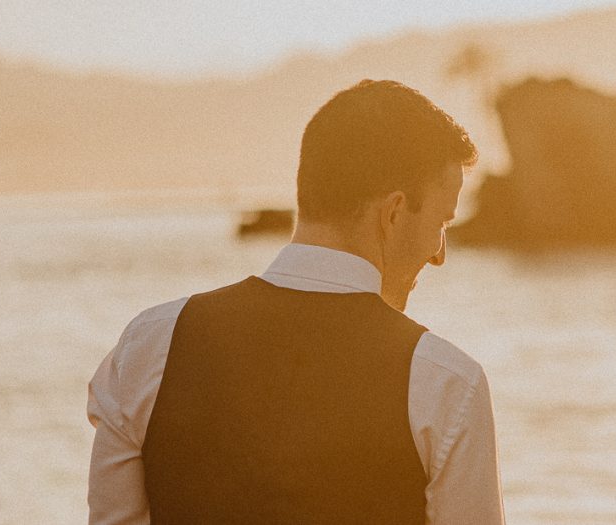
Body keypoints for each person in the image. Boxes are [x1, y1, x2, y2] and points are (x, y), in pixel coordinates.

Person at [87, 79, 503, 524]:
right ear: (394, 213)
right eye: (441, 222)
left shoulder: (148, 347)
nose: (439, 254)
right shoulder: (447, 383)